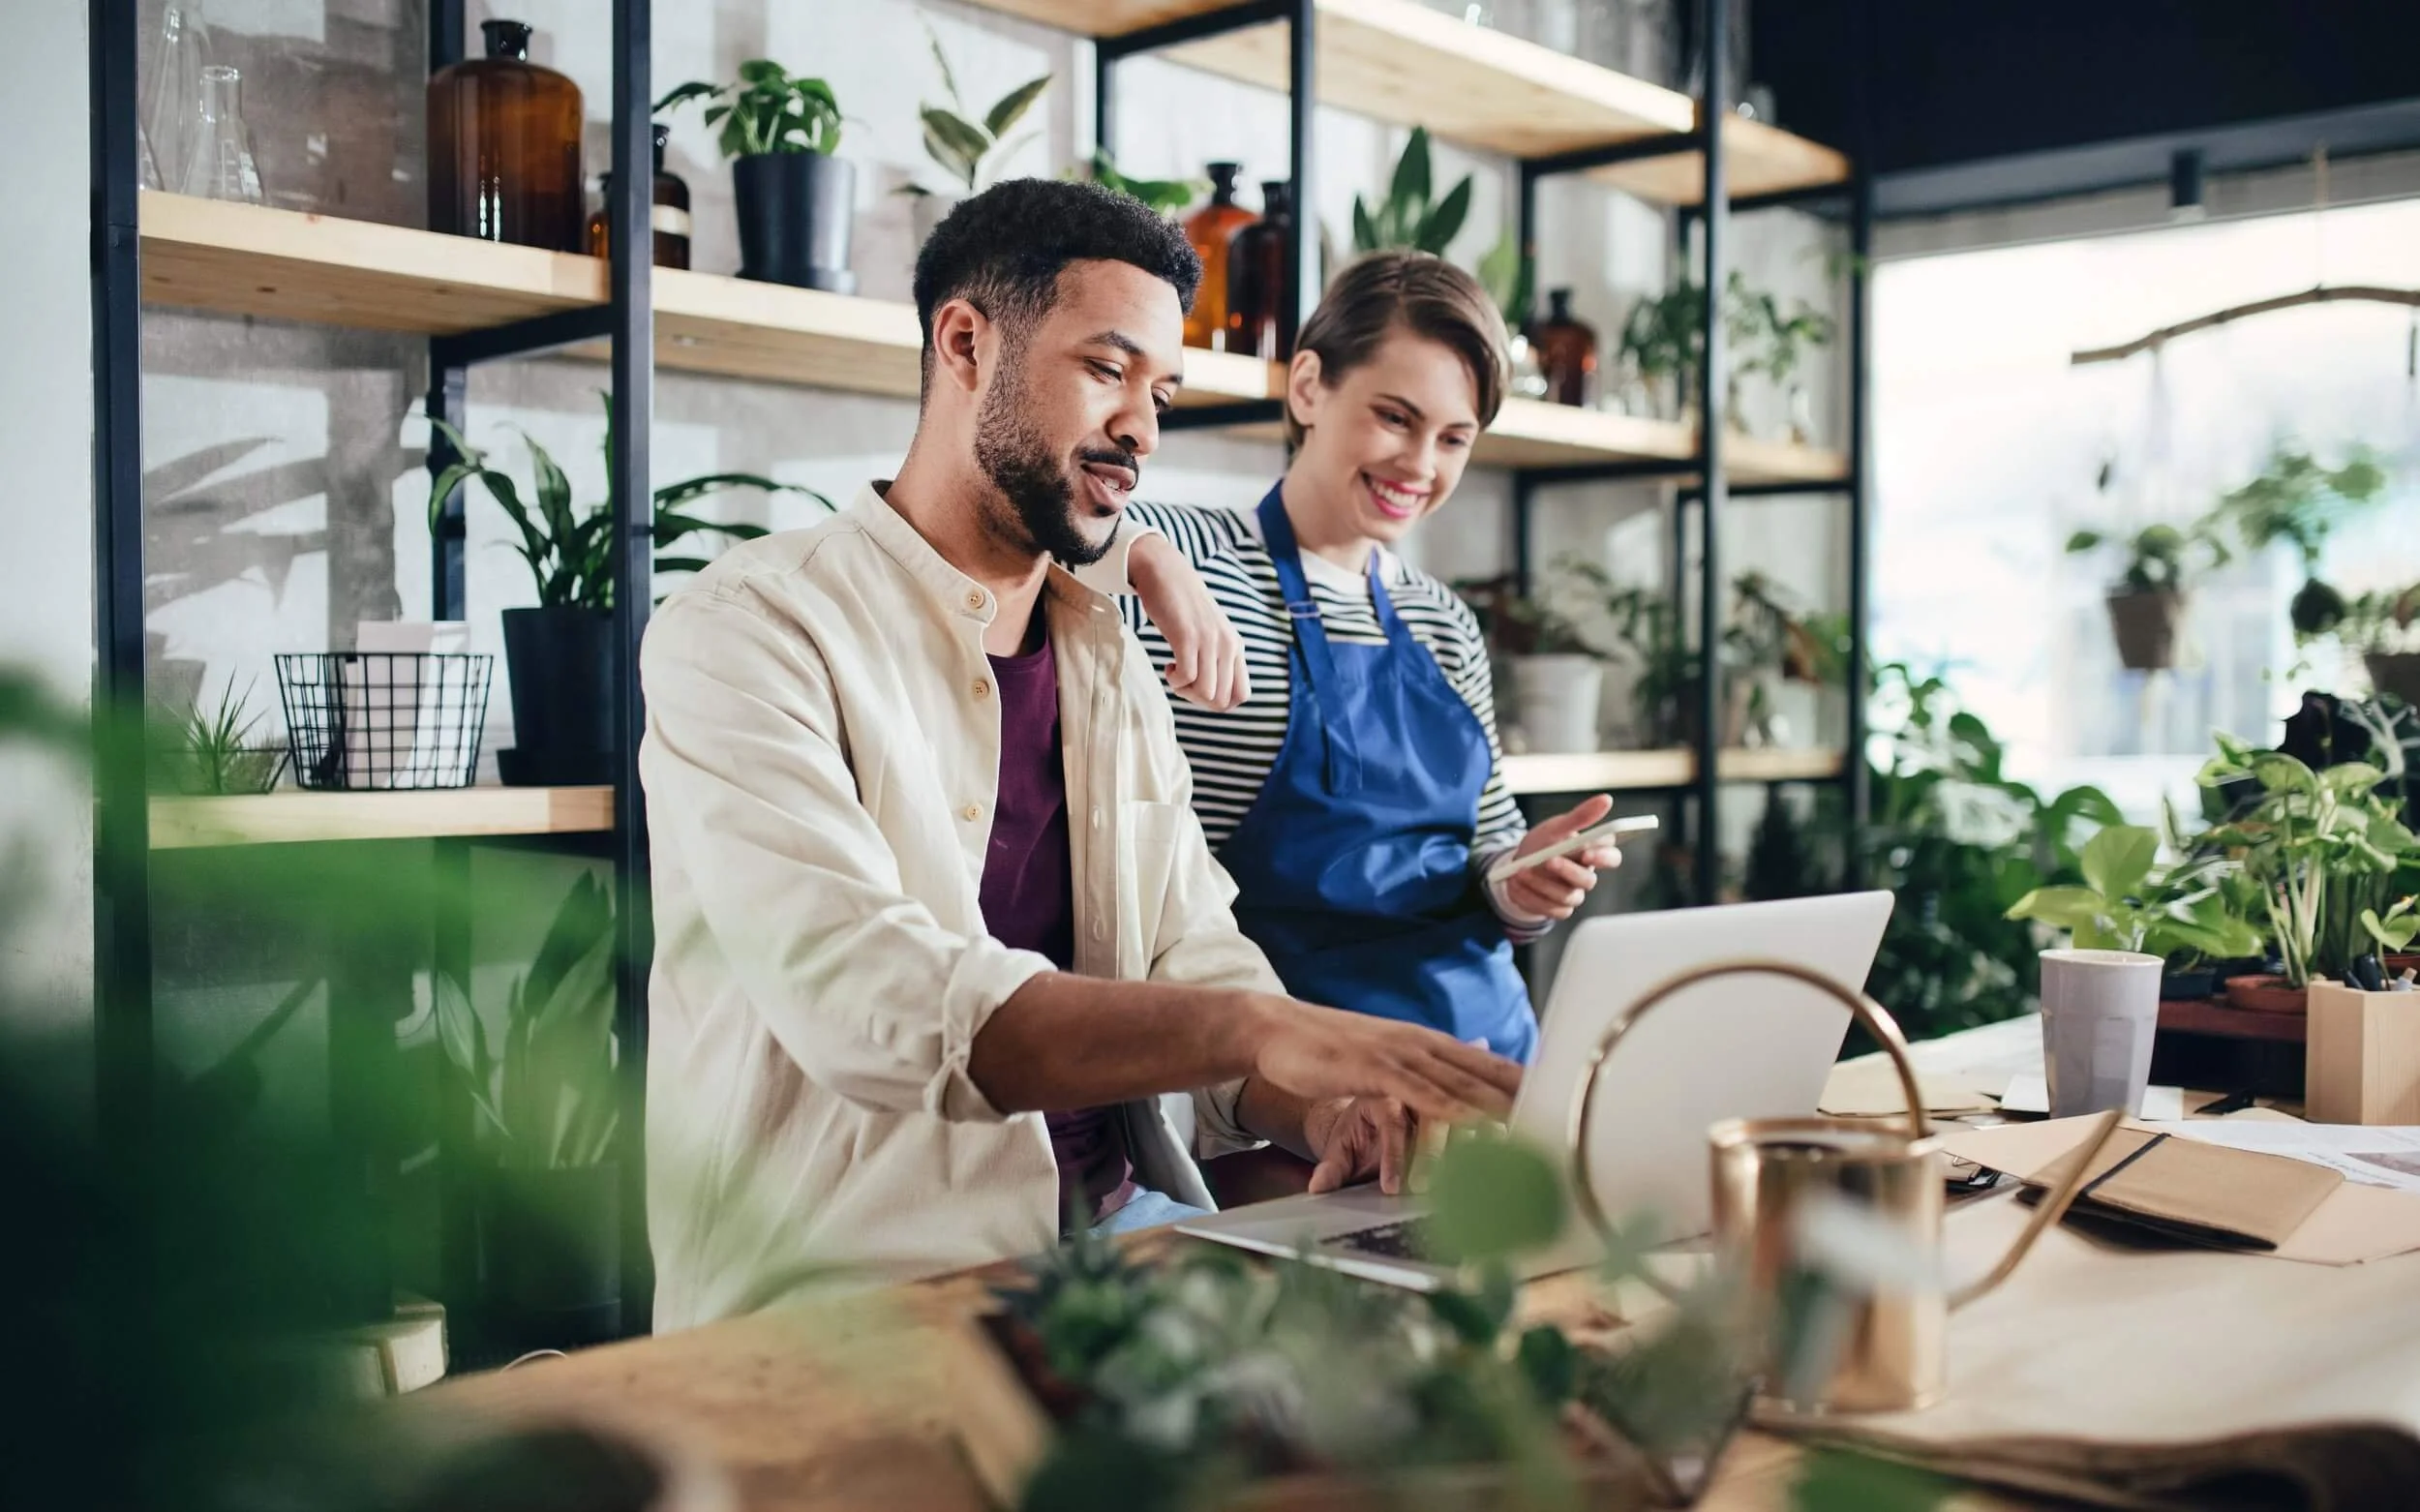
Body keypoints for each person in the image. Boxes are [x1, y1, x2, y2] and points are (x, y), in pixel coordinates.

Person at [637, 181, 1522, 1328]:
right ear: (966, 342)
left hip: (1120, 1253)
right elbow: (870, 998)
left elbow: (1190, 949)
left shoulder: (1104, 652)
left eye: (1161, 391)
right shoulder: (749, 629)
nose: (1144, 430)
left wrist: (1316, 1106)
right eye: (1108, 370)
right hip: (852, 1303)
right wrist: (1268, 1027)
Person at [1111, 253, 1625, 1067]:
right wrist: (1140, 551)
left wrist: (1523, 882)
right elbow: (1030, 533)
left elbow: (1488, 855)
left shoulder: (1443, 620)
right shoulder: (1187, 558)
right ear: (1309, 386)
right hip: (1291, 1073)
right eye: (1395, 417)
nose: (1421, 466)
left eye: (1454, 438)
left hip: (1489, 1053)